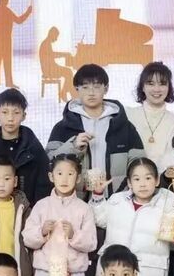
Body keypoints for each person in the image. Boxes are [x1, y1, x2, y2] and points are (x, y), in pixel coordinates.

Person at [90, 158, 174, 276]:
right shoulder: (117, 200)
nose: (142, 184)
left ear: (157, 180)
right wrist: (97, 195)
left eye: (148, 178)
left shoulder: (168, 201)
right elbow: (100, 219)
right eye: (136, 179)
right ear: (129, 183)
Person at [46, 63, 144, 197]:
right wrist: (73, 146)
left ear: (106, 88)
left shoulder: (123, 125)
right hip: (76, 200)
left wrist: (125, 191)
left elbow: (139, 162)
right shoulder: (62, 127)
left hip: (116, 200)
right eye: (85, 87)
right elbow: (49, 161)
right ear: (76, 89)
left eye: (97, 87)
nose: (91, 93)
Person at [0, 88, 51, 206]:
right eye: (5, 112)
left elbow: (44, 184)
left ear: (24, 116)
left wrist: (37, 211)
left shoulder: (34, 149)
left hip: (27, 210)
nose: (10, 118)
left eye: (16, 113)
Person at [126, 62, 174, 162]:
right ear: (142, 87)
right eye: (151, 84)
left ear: (169, 88)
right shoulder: (129, 116)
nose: (156, 89)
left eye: (162, 84)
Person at [38, 27, 77, 103]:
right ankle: (66, 93)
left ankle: (68, 93)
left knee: (68, 72)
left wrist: (64, 54)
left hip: (51, 68)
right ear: (52, 34)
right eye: (56, 36)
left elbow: (51, 55)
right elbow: (52, 55)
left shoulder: (46, 43)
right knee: (68, 72)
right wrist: (64, 54)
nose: (56, 38)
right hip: (49, 70)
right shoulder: (46, 44)